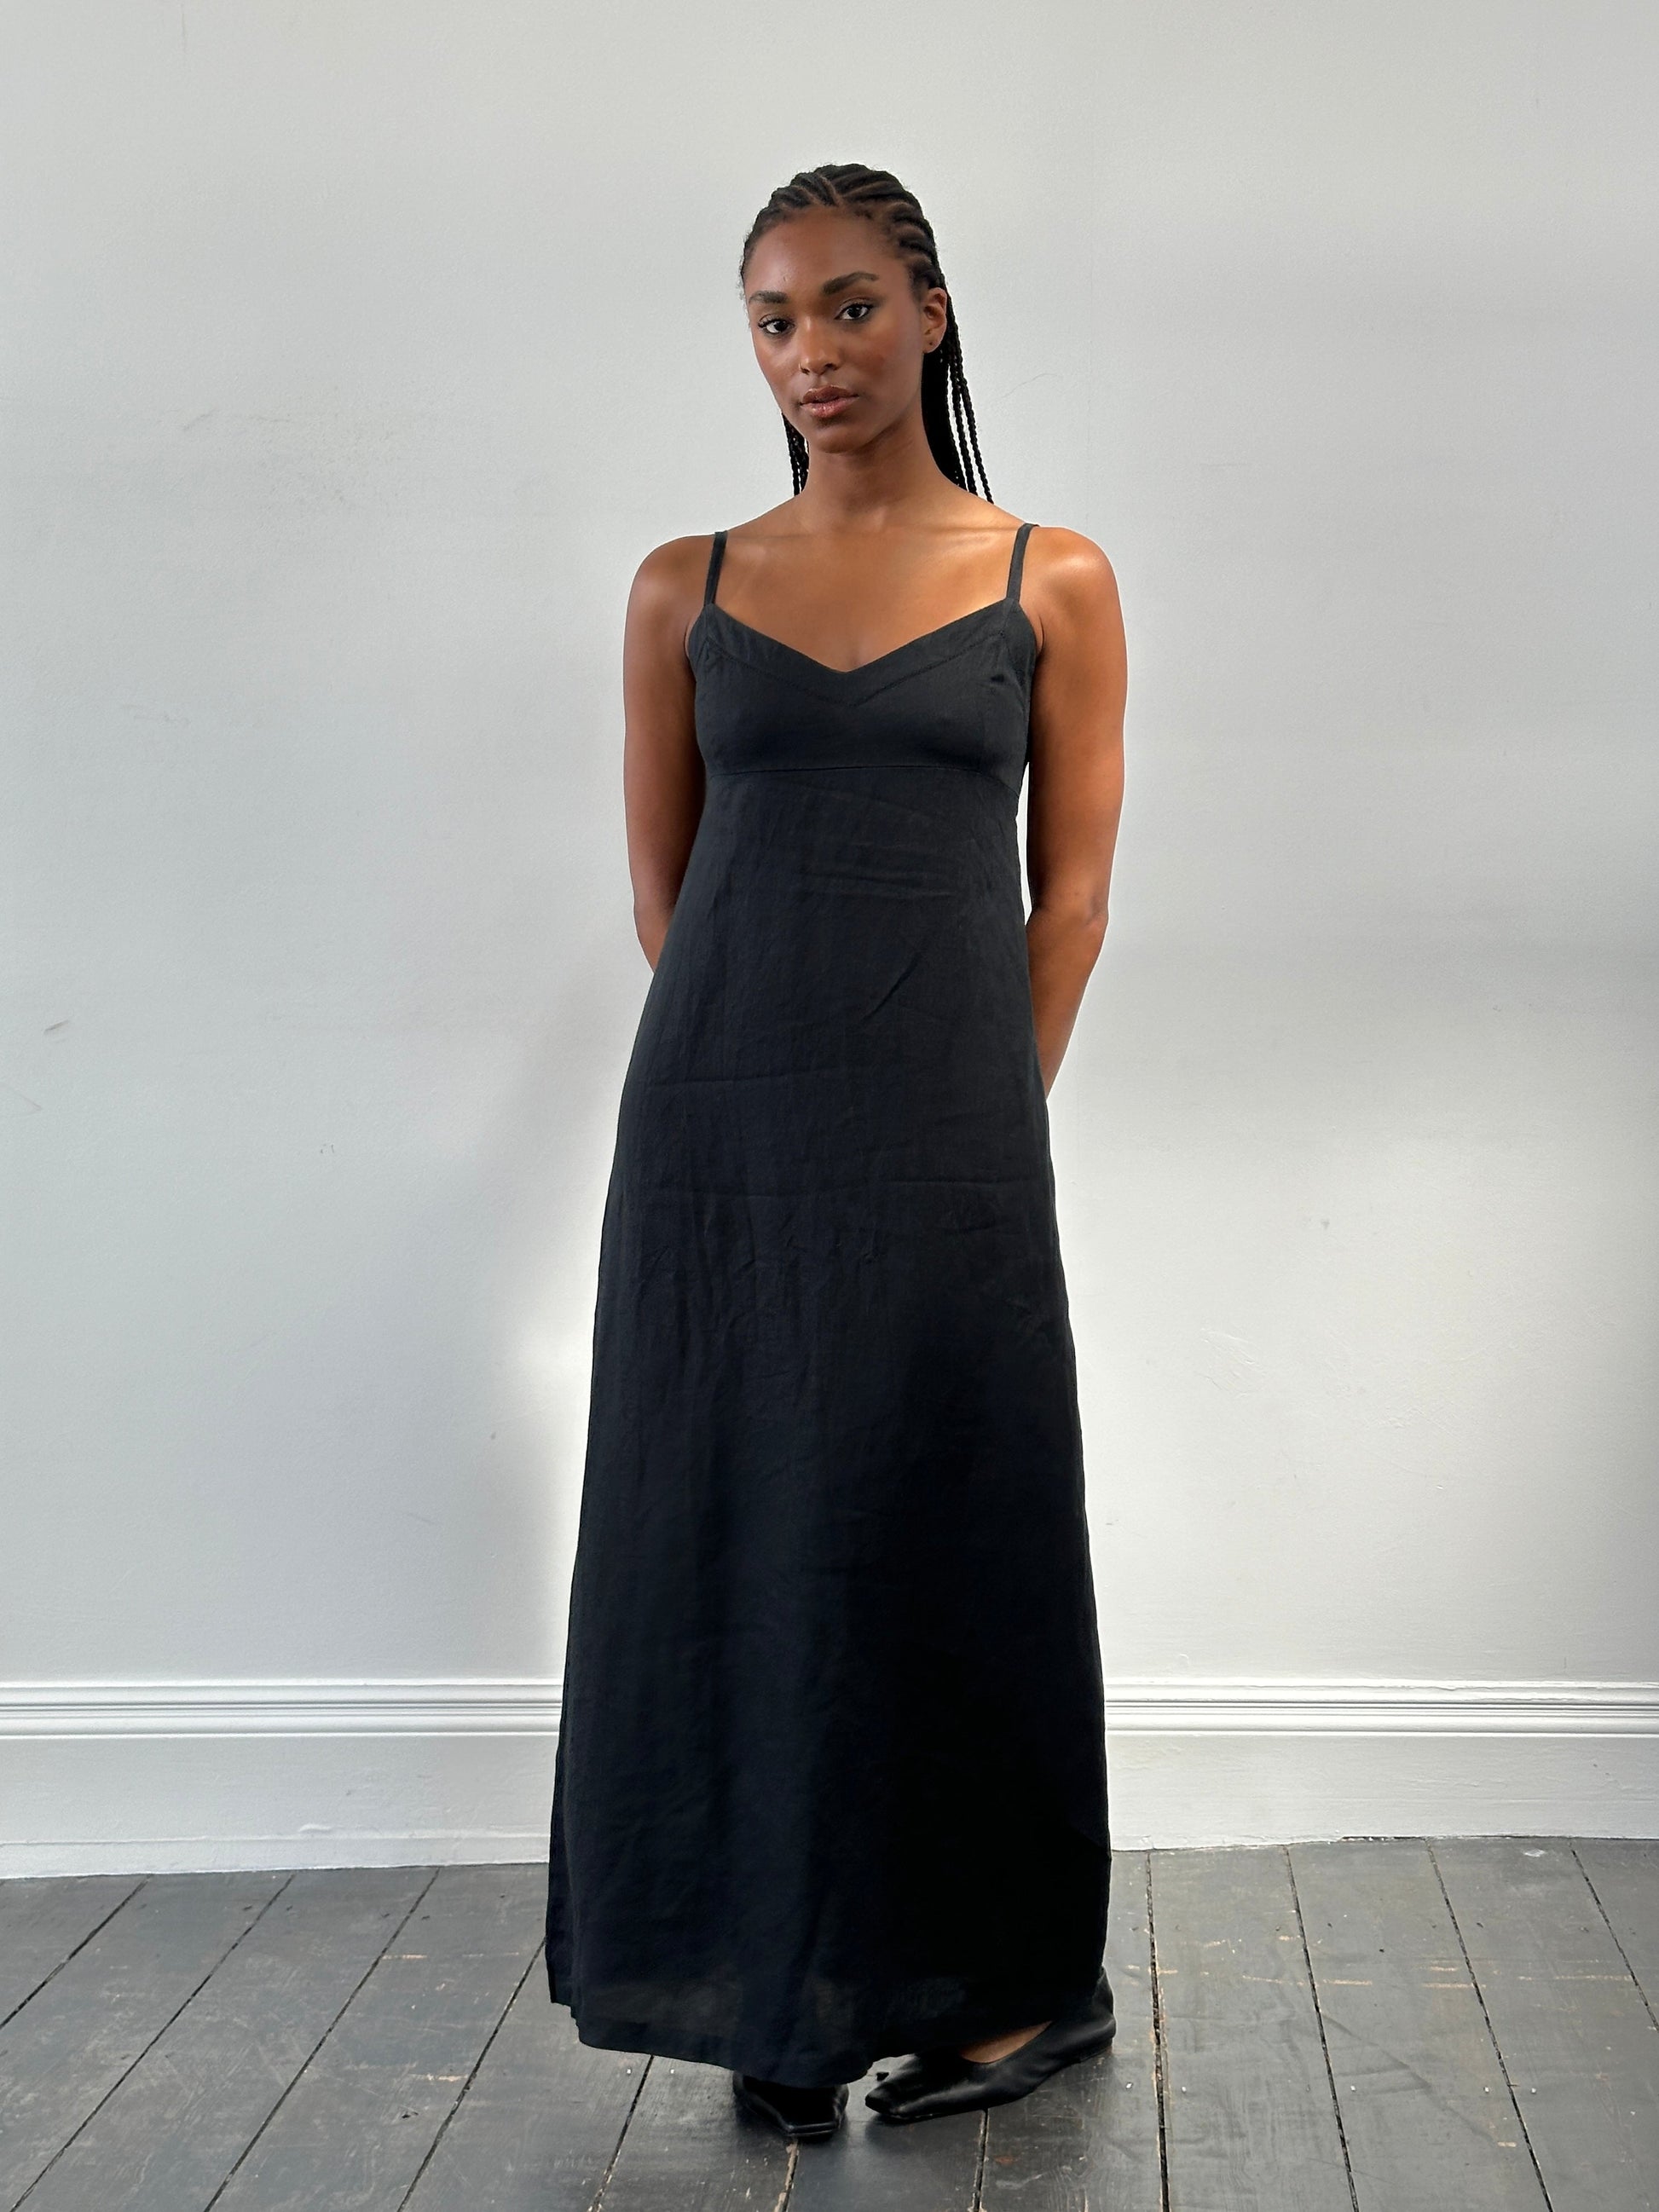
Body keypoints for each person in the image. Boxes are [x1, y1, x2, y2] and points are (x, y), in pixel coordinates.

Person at [546, 161, 1127, 2143]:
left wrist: (975, 1109)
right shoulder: (683, 587)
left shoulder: (1051, 575)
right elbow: (668, 898)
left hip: (951, 1141)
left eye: (851, 306)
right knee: (735, 1530)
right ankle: (770, 1976)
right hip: (719, 1146)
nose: (814, 352)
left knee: (947, 1516)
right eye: (776, 320)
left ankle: (1007, 1986)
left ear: (928, 311)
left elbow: (1070, 903)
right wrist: (778, 1092)